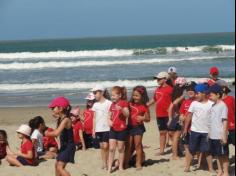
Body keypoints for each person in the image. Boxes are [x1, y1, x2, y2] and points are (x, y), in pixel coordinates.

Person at [183, 84, 214, 173]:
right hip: (195, 130)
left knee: (207, 151)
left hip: (207, 132)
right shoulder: (194, 103)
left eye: (198, 93)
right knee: (191, 149)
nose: (196, 95)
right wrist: (185, 129)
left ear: (204, 93)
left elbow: (214, 118)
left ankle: (211, 168)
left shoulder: (211, 104)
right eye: (195, 93)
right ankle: (187, 167)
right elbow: (189, 116)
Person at [45, 96, 76, 176]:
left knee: (60, 167)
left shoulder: (66, 120)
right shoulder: (61, 118)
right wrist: (57, 117)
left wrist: (45, 133)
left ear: (60, 108)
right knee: (56, 165)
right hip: (64, 146)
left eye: (53, 108)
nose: (52, 110)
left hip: (69, 147)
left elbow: (56, 133)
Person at [147, 72, 173, 156]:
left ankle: (176, 150)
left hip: (168, 115)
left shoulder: (170, 89)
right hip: (159, 115)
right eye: (157, 79)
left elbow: (175, 101)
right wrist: (146, 105)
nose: (157, 80)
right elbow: (154, 99)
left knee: (171, 133)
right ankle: (162, 150)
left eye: (159, 79)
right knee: (162, 133)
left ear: (165, 79)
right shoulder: (157, 89)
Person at [125, 86, 150, 170]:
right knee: (129, 145)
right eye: (133, 95)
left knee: (138, 145)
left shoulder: (144, 106)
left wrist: (143, 118)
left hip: (138, 128)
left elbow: (148, 119)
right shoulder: (129, 104)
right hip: (129, 127)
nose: (134, 97)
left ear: (142, 97)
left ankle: (138, 163)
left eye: (137, 96)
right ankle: (126, 162)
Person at [208, 84, 230, 176]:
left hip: (220, 135)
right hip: (213, 135)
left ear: (218, 94)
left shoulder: (223, 105)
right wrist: (209, 133)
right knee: (217, 154)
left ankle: (226, 172)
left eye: (211, 95)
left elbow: (225, 121)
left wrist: (224, 135)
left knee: (223, 155)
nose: (210, 96)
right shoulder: (213, 105)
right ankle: (220, 171)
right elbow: (211, 121)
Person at [107, 86, 129, 173]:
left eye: (114, 95)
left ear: (119, 95)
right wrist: (109, 121)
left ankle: (120, 166)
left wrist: (122, 109)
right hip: (113, 129)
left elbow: (127, 114)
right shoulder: (112, 105)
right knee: (111, 148)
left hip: (122, 129)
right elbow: (109, 115)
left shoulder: (123, 103)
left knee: (120, 149)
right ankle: (109, 168)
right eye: (111, 95)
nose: (112, 97)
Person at [92, 85, 112, 170]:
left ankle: (107, 163)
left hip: (107, 128)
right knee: (101, 146)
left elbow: (111, 115)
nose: (94, 95)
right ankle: (104, 163)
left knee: (106, 146)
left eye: (95, 93)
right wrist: (93, 129)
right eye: (94, 93)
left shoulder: (109, 103)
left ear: (102, 92)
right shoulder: (95, 105)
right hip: (98, 128)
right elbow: (94, 117)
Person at [168, 77, 187, 160]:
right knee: (176, 136)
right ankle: (174, 155)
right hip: (179, 117)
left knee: (174, 136)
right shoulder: (181, 95)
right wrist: (183, 96)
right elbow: (175, 104)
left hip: (175, 116)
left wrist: (170, 118)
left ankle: (177, 152)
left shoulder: (174, 93)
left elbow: (170, 108)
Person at [179, 81, 197, 171]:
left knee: (197, 147)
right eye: (188, 89)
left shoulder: (198, 102)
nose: (190, 91)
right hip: (186, 128)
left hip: (196, 128)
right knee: (186, 146)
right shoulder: (185, 102)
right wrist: (181, 117)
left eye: (192, 89)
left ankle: (200, 162)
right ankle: (187, 162)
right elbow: (181, 113)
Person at [217, 80, 235, 146]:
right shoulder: (216, 101)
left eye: (224, 91)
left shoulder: (231, 99)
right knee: (224, 144)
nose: (223, 93)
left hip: (232, 125)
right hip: (221, 126)